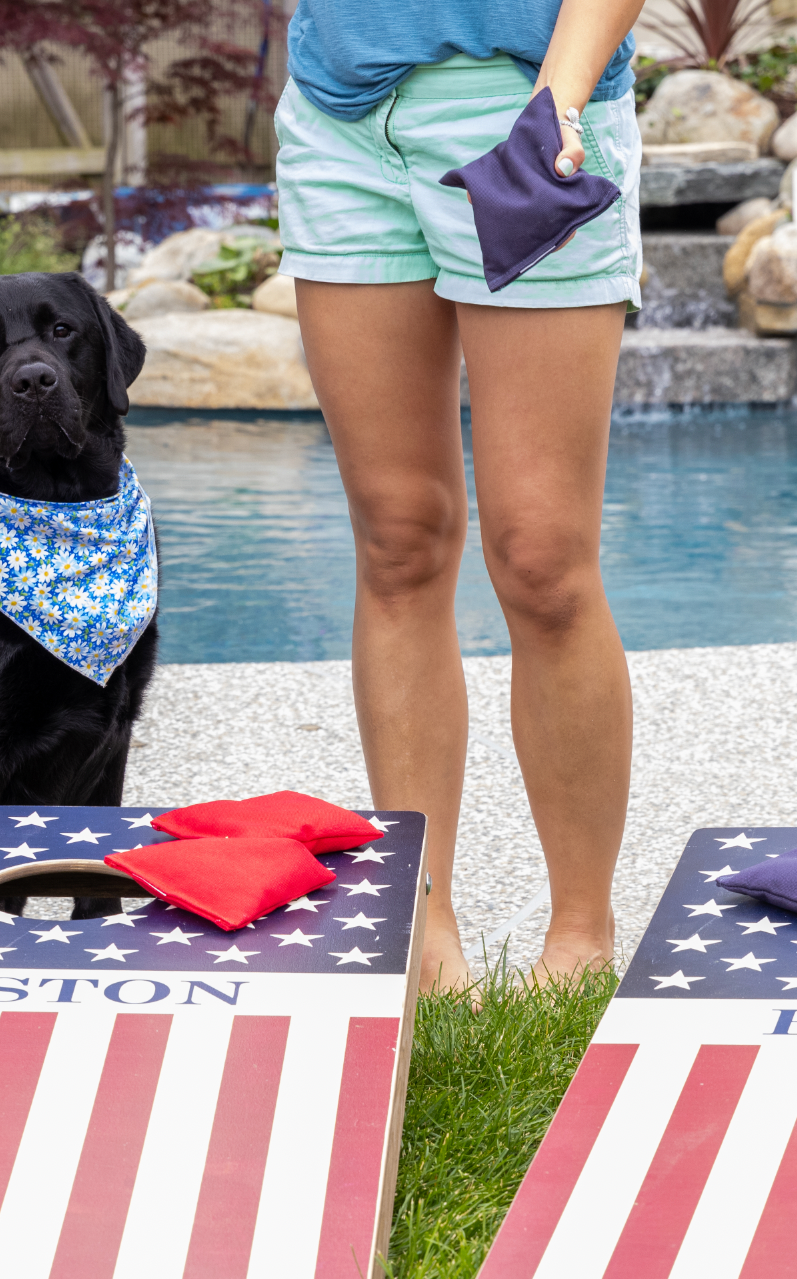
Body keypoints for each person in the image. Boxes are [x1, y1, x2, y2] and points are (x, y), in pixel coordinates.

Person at [276, 0, 642, 993]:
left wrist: (557, 95)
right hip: (340, 115)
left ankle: (578, 934)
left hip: (529, 107)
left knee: (542, 558)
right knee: (398, 538)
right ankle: (423, 926)